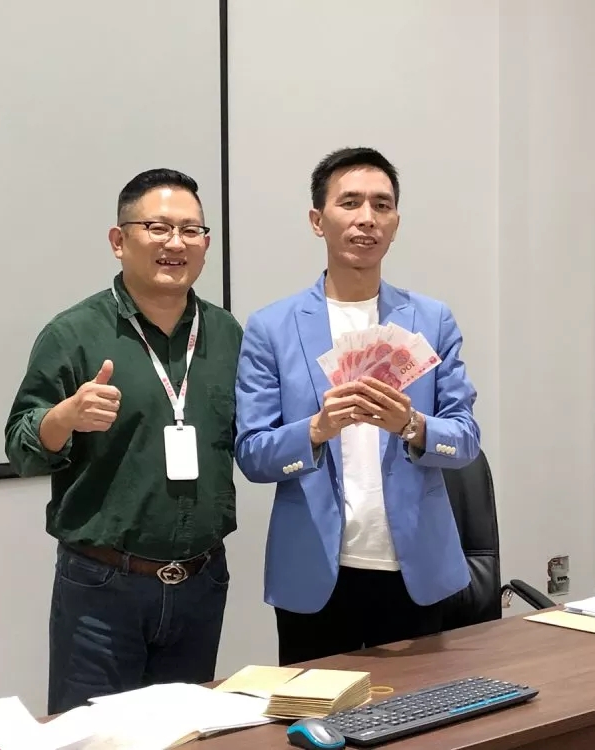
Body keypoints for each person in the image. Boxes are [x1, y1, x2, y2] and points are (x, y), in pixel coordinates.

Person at [5, 168, 243, 713]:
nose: (176, 243)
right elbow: (20, 444)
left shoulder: (226, 334)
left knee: (184, 735)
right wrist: (64, 417)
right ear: (119, 240)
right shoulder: (73, 333)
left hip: (201, 582)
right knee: (94, 737)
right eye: (158, 228)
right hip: (103, 588)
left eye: (191, 230)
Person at [234, 147, 481, 666]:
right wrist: (316, 429)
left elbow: (465, 441)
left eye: (381, 205)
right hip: (314, 573)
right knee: (319, 711)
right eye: (350, 203)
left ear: (395, 224)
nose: (367, 218)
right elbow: (253, 455)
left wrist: (412, 425)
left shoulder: (431, 320)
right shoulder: (272, 328)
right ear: (317, 220)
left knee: (421, 710)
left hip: (415, 572)